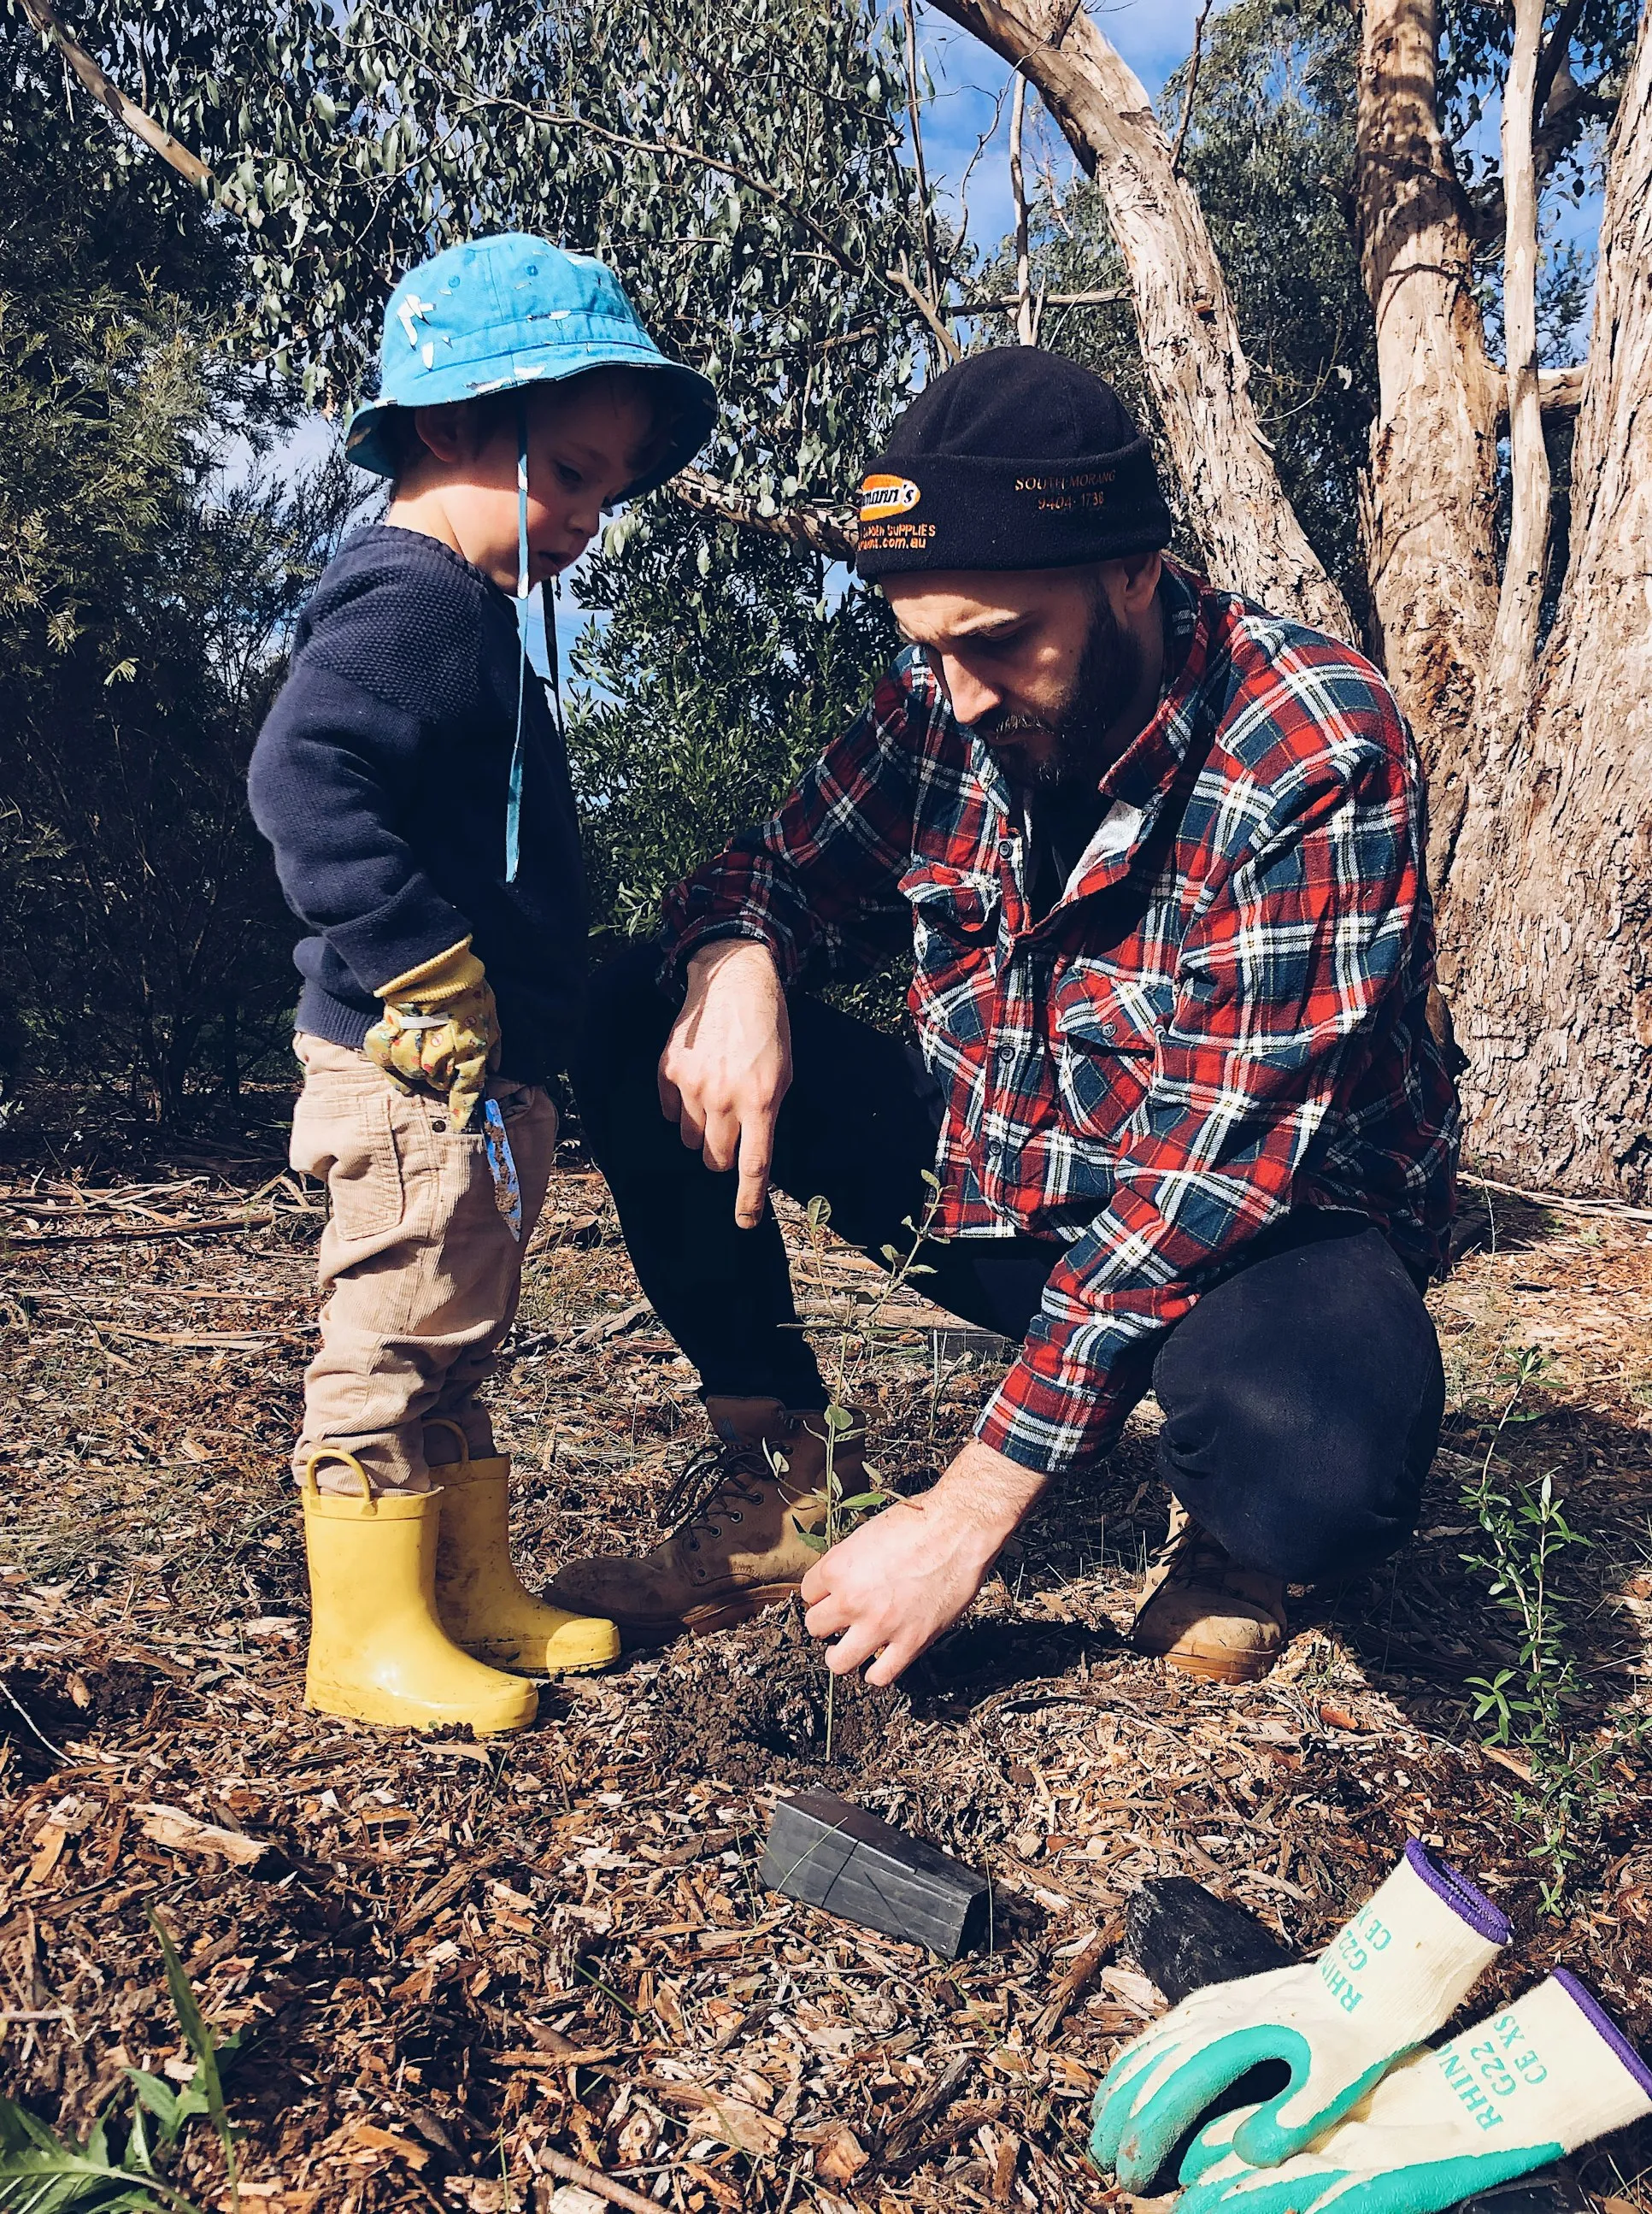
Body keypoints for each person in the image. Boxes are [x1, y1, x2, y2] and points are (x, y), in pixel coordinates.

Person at [549, 347, 1457, 1688]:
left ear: (1135, 572)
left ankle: (1234, 1535)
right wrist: (738, 961)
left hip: (1259, 1228)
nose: (961, 691)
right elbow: (768, 868)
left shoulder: (1312, 749)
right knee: (641, 1005)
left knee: (1322, 1455)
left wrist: (970, 1507)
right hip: (1012, 1179)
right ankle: (780, 1471)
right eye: (928, 644)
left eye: (998, 641)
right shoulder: (948, 702)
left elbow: (1207, 1179)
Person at [249, 233, 715, 1734]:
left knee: (456, 1318)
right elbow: (301, 777)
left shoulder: (469, 614)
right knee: (394, 1327)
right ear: (457, 427)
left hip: (470, 1067)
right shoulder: (419, 605)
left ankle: (462, 1588)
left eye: (602, 487)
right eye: (571, 473)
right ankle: (366, 1636)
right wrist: (423, 964)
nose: (588, 517)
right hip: (408, 1064)